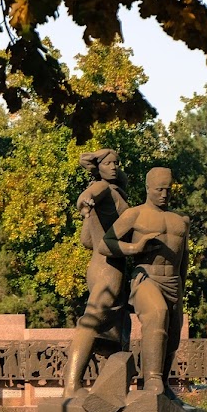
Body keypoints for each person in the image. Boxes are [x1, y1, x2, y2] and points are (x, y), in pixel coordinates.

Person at [104, 166, 189, 396]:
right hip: (146, 277)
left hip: (173, 281)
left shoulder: (180, 220)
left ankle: (164, 386)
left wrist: (180, 286)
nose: (164, 194)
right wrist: (135, 248)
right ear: (147, 188)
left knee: (172, 336)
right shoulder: (135, 214)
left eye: (168, 190)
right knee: (157, 314)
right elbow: (106, 243)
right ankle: (152, 380)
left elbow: (184, 259)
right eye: (159, 189)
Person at [63, 148, 131, 397]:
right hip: (107, 268)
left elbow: (86, 241)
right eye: (109, 163)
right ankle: (71, 387)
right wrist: (84, 204)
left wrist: (89, 218)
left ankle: (109, 394)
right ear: (98, 167)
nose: (114, 167)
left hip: (104, 265)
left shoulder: (114, 192)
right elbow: (87, 195)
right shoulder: (103, 189)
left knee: (115, 328)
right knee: (92, 322)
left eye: (117, 162)